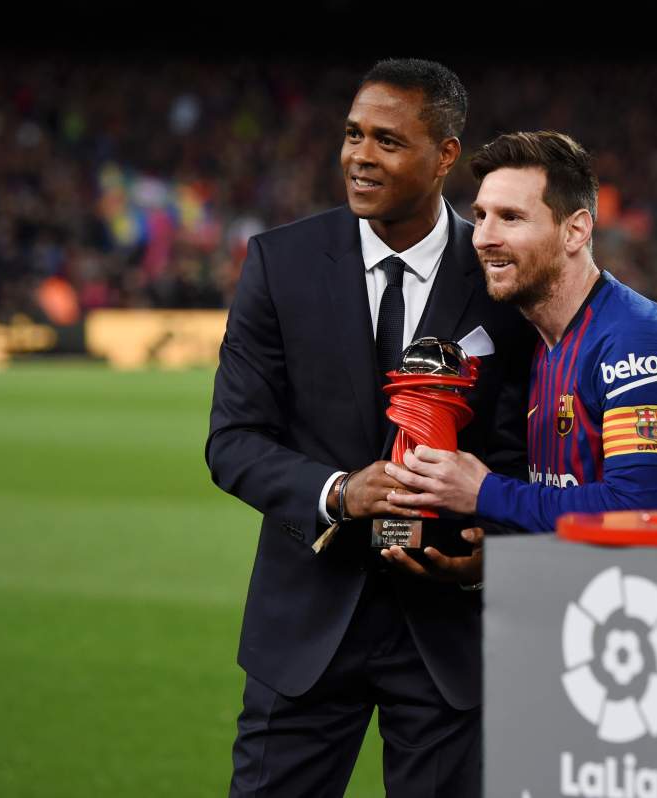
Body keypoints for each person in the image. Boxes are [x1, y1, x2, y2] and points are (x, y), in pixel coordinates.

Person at [205, 59, 534, 798]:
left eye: (387, 140)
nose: (360, 155)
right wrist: (339, 491)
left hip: (446, 631)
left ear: (445, 155)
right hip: (306, 625)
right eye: (353, 134)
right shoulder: (280, 264)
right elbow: (232, 441)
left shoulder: (502, 278)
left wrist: (494, 553)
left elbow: (519, 449)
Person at [385, 131, 657, 532]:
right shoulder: (542, 341)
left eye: (511, 217)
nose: (484, 238)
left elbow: (636, 510)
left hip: (650, 576)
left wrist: (484, 492)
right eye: (481, 216)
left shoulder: (632, 340)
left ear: (575, 231)